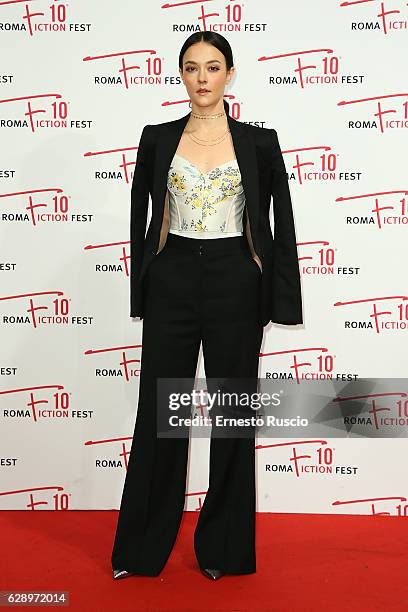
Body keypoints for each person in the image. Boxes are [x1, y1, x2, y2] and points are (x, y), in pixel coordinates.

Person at [111, 31, 303, 582]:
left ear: (230, 75)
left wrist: (277, 295)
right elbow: (141, 220)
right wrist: (142, 286)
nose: (202, 77)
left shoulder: (259, 143)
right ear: (181, 74)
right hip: (171, 277)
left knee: (232, 414)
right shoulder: (157, 138)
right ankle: (141, 551)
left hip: (235, 280)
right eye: (192, 67)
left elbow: (279, 223)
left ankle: (223, 550)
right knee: (160, 413)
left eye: (213, 67)